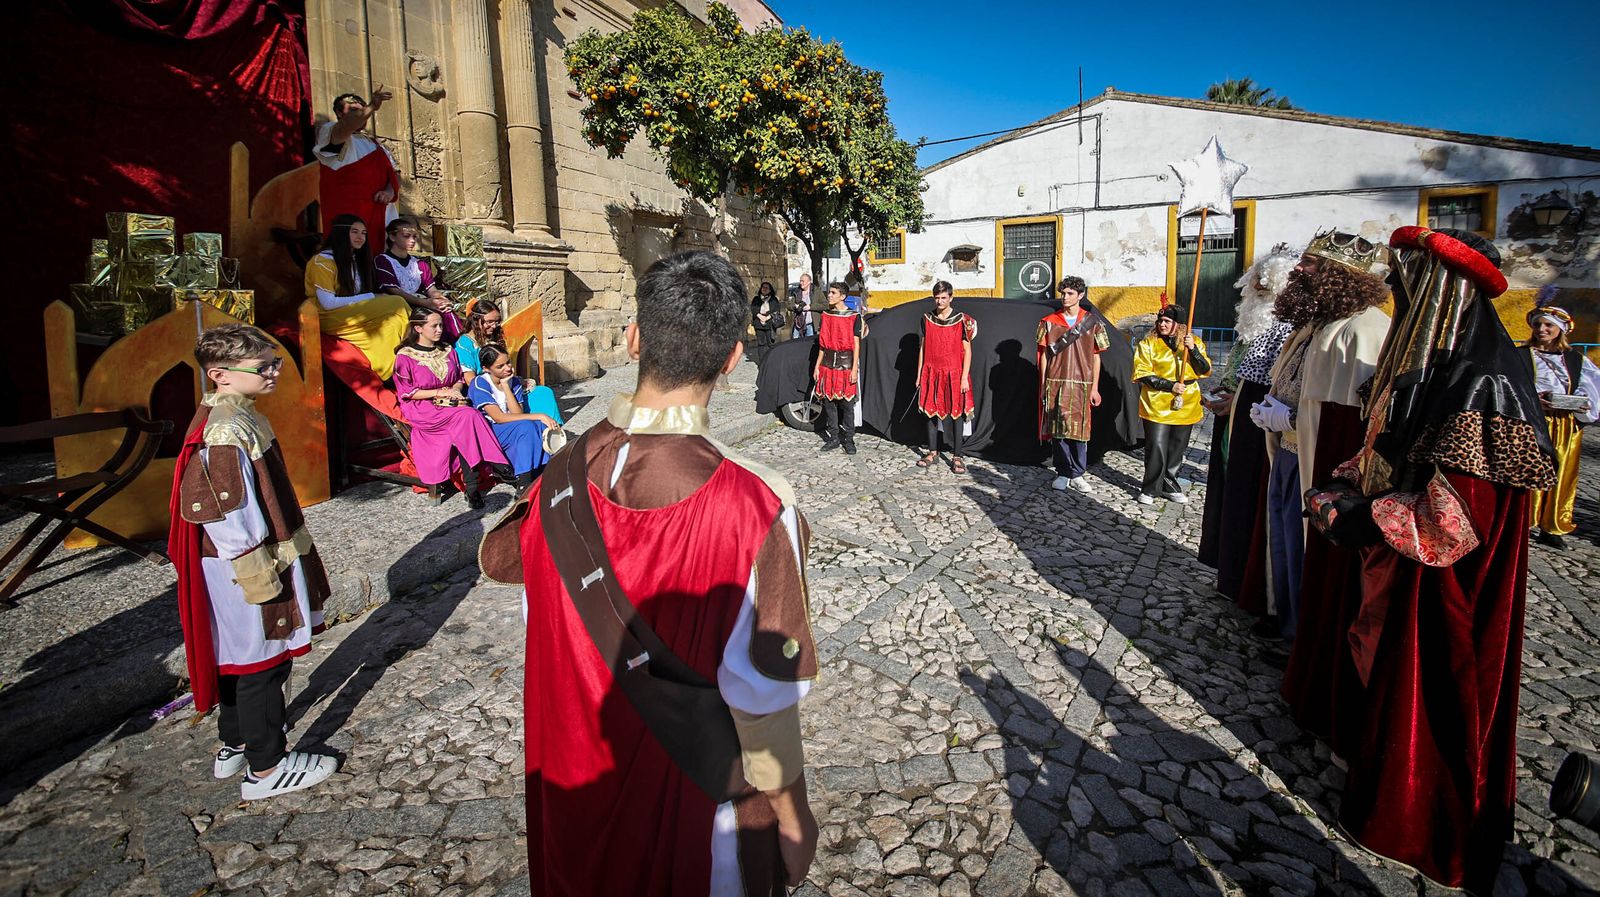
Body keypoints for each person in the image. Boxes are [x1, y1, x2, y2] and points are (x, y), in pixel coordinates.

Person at [478, 249, 819, 897]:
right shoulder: (757, 504)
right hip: (693, 814)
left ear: (634, 338)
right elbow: (766, 698)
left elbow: (537, 613)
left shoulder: (556, 476)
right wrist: (792, 814)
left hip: (569, 786)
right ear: (733, 358)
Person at [1333, 227, 1555, 894]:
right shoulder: (1442, 368)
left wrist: (1359, 516)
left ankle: (1425, 826)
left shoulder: (1483, 381)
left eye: (1413, 283)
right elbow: (1398, 454)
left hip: (1451, 591)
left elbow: (1452, 522)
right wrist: (1352, 481)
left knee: (1437, 702)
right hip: (1413, 576)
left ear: (1442, 293)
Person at [170, 324, 338, 800]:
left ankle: (235, 741)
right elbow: (222, 507)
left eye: (275, 363)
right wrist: (257, 569)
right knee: (261, 660)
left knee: (239, 657)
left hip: (242, 557)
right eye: (263, 367)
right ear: (221, 374)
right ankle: (266, 768)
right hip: (244, 561)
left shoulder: (233, 414)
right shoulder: (225, 430)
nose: (274, 372)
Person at [1254, 231, 1391, 641]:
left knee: (1305, 547)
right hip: (1290, 453)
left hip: (1319, 459)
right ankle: (1284, 615)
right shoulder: (1317, 324)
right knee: (1283, 539)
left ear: (1339, 275)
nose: (1299, 269)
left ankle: (1303, 632)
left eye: (1311, 264)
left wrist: (1290, 419)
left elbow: (1353, 419)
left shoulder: (1363, 329)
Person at [1212, 249, 1299, 612]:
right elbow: (1242, 368)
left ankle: (1252, 583)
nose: (1259, 286)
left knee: (1253, 496)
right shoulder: (1250, 322)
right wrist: (1228, 393)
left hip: (1263, 420)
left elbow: (1276, 381)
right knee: (1231, 490)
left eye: (1268, 281)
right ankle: (1230, 572)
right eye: (1257, 279)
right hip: (1238, 411)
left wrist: (1237, 402)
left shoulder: (1287, 325)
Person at [392, 308, 511, 508]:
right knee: (467, 415)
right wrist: (439, 393)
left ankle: (472, 490)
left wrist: (455, 390)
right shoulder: (405, 355)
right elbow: (406, 392)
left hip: (451, 404)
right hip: (422, 407)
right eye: (434, 326)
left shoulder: (447, 349)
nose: (440, 330)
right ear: (418, 328)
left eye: (441, 325)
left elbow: (457, 379)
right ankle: (498, 464)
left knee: (465, 421)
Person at [1525, 301, 1599, 548]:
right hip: (1532, 422)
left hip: (1565, 424)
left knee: (1562, 473)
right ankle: (1524, 522)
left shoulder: (1575, 360)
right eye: (1538, 324)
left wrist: (1582, 404)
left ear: (1561, 330)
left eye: (1548, 325)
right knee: (1529, 470)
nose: (1542, 329)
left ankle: (1552, 526)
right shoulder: (1522, 355)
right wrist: (1533, 401)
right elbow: (1509, 387)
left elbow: (1590, 389)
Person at [304, 214, 412, 379]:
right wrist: (372, 296)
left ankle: (388, 372)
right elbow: (328, 303)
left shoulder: (355, 259)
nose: (360, 237)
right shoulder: (322, 262)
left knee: (393, 324)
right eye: (354, 232)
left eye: (363, 233)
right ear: (341, 233)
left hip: (349, 313)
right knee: (397, 303)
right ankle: (412, 354)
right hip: (326, 316)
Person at [1037, 276, 1110, 493]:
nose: (1065, 297)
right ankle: (1062, 471)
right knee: (1058, 430)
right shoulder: (1048, 322)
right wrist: (1043, 383)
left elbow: (1097, 356)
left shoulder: (1093, 323)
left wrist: (1095, 387)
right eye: (1063, 293)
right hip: (1056, 382)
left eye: (1070, 293)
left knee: (1079, 432)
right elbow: (1043, 355)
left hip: (1082, 383)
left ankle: (1077, 473)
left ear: (1081, 295)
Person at [1131, 304, 1209, 504]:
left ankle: (1169, 485)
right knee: (1156, 446)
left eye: (1167, 321)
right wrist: (1169, 386)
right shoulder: (1148, 344)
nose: (1162, 324)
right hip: (1156, 402)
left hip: (1187, 401)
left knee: (1177, 447)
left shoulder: (1194, 342)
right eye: (1160, 321)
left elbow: (1204, 369)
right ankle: (1150, 488)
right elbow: (1142, 373)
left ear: (1179, 324)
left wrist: (1193, 350)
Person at [468, 343, 562, 492]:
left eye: (508, 363)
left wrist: (506, 387)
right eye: (500, 366)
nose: (507, 368)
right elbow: (498, 417)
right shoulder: (480, 383)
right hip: (489, 431)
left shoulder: (514, 381)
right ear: (486, 369)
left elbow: (517, 414)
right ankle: (524, 481)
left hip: (510, 425)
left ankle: (543, 471)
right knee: (527, 426)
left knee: (541, 427)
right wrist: (540, 415)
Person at [314, 89, 400, 242]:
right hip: (350, 218)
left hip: (382, 217)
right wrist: (372, 106)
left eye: (363, 110)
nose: (363, 114)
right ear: (339, 113)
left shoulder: (377, 146)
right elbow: (347, 126)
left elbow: (395, 175)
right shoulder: (332, 133)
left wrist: (389, 191)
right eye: (354, 110)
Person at [916, 280, 976, 474]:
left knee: (956, 414)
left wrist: (965, 376)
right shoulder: (926, 318)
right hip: (931, 371)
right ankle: (932, 452)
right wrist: (919, 374)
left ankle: (957, 456)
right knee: (930, 412)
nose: (940, 301)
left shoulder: (962, 319)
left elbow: (967, 350)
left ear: (951, 297)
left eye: (943, 297)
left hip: (954, 372)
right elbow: (923, 348)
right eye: (937, 297)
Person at [375, 217, 462, 338]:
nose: (412, 240)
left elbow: (431, 289)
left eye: (415, 237)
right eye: (406, 236)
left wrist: (440, 300)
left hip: (422, 304)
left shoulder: (420, 264)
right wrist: (424, 302)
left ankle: (457, 347)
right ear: (392, 237)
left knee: (447, 312)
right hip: (398, 307)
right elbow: (392, 290)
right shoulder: (383, 261)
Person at [813, 282, 866, 455]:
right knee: (829, 403)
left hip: (845, 365)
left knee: (847, 405)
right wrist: (817, 366)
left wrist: (853, 369)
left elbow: (856, 345)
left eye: (833, 293)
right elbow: (822, 345)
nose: (829, 295)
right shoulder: (826, 315)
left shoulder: (853, 316)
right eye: (829, 292)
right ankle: (834, 437)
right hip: (827, 365)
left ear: (842, 296)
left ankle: (849, 439)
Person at [454, 299, 505, 379]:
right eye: (489, 322)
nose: (494, 326)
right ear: (476, 321)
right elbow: (470, 379)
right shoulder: (464, 344)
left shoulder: (494, 337)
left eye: (497, 321)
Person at [749, 281, 782, 366]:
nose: (764, 289)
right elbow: (753, 309)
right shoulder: (756, 299)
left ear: (770, 290)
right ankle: (762, 363)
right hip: (758, 323)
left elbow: (776, 310)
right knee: (761, 344)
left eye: (766, 287)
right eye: (763, 287)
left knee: (770, 344)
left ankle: (771, 362)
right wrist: (760, 316)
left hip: (770, 324)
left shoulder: (773, 299)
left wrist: (767, 317)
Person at [789, 273, 817, 339]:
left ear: (809, 282)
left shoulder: (816, 292)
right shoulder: (797, 292)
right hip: (798, 324)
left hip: (810, 324)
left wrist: (810, 307)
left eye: (803, 281)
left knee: (809, 344)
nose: (801, 283)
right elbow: (789, 305)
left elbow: (825, 305)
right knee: (795, 343)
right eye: (800, 281)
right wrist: (795, 306)